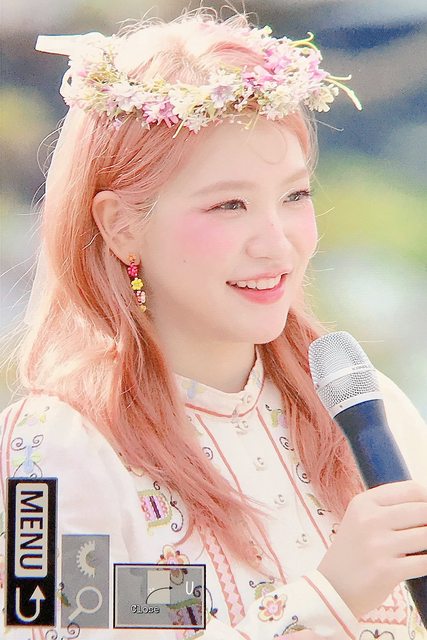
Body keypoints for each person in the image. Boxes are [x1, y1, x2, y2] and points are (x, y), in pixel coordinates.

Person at [0, 8, 426, 640]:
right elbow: (63, 624)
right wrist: (328, 598)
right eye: (229, 205)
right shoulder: (56, 446)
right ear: (121, 226)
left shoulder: (365, 414)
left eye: (295, 195)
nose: (276, 244)